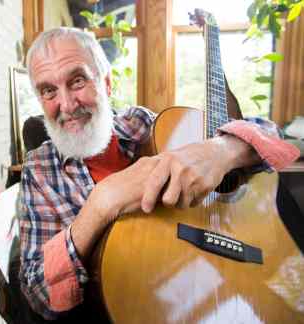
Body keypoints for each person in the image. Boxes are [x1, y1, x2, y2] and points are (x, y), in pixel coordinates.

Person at [18, 27, 299, 321]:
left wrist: (222, 150)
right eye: (48, 90)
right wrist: (101, 204)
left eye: (77, 81)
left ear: (106, 83)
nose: (66, 104)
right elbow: (40, 293)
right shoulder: (39, 169)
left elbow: (271, 135)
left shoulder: (142, 125)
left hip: (197, 276)